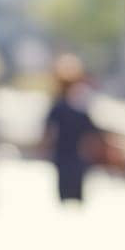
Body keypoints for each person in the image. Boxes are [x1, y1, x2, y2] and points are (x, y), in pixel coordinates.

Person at [41, 54, 100, 205]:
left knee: (72, 194)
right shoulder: (65, 104)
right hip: (67, 154)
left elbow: (90, 129)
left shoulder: (78, 102)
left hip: (73, 154)